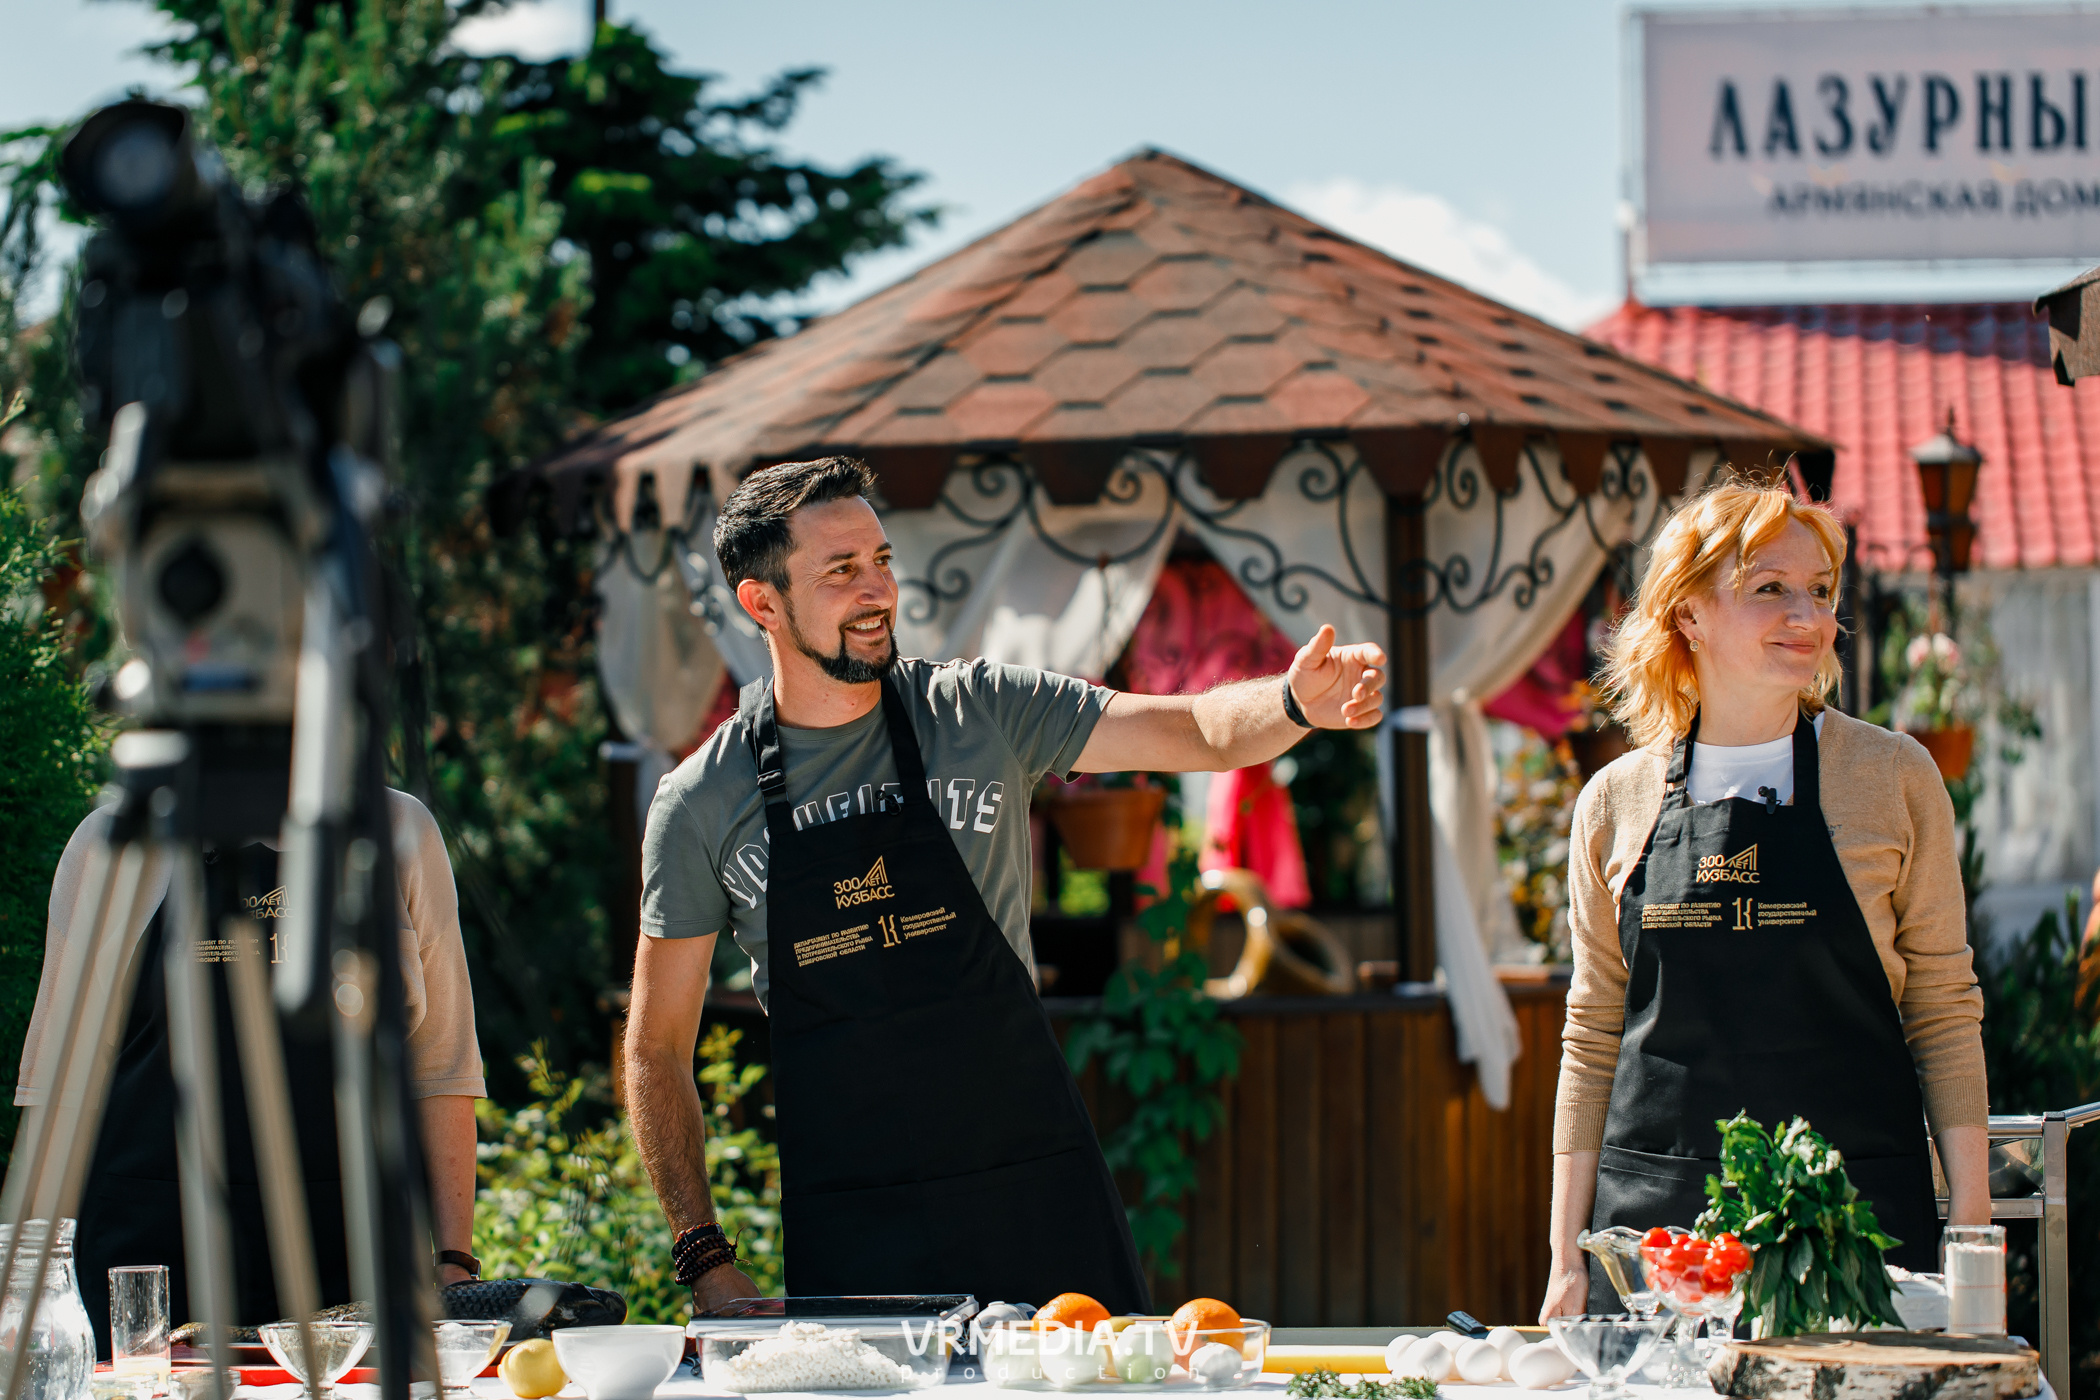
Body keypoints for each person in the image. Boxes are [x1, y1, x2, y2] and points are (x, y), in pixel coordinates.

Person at [629, 457, 1385, 1313]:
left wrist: (1293, 702)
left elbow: (1201, 731)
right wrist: (703, 1256)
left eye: (881, 560)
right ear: (762, 603)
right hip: (853, 1222)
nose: (877, 590)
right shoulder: (701, 803)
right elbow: (657, 1048)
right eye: (841, 571)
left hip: (1035, 1189)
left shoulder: (979, 711)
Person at [1539, 473, 1991, 1320]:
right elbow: (1594, 1032)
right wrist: (1567, 1258)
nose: (1808, 616)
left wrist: (1970, 1234)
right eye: (1770, 589)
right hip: (1660, 1243)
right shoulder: (1614, 802)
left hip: (1850, 1228)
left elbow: (1941, 1006)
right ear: (1688, 614)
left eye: (1820, 591)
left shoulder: (1892, 777)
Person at [16, 789, 485, 1354]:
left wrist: (453, 1260)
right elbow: (59, 1087)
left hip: (353, 1256)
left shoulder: (396, 828)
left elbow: (443, 1069)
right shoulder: (113, 842)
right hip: (147, 1265)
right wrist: (31, 1285)